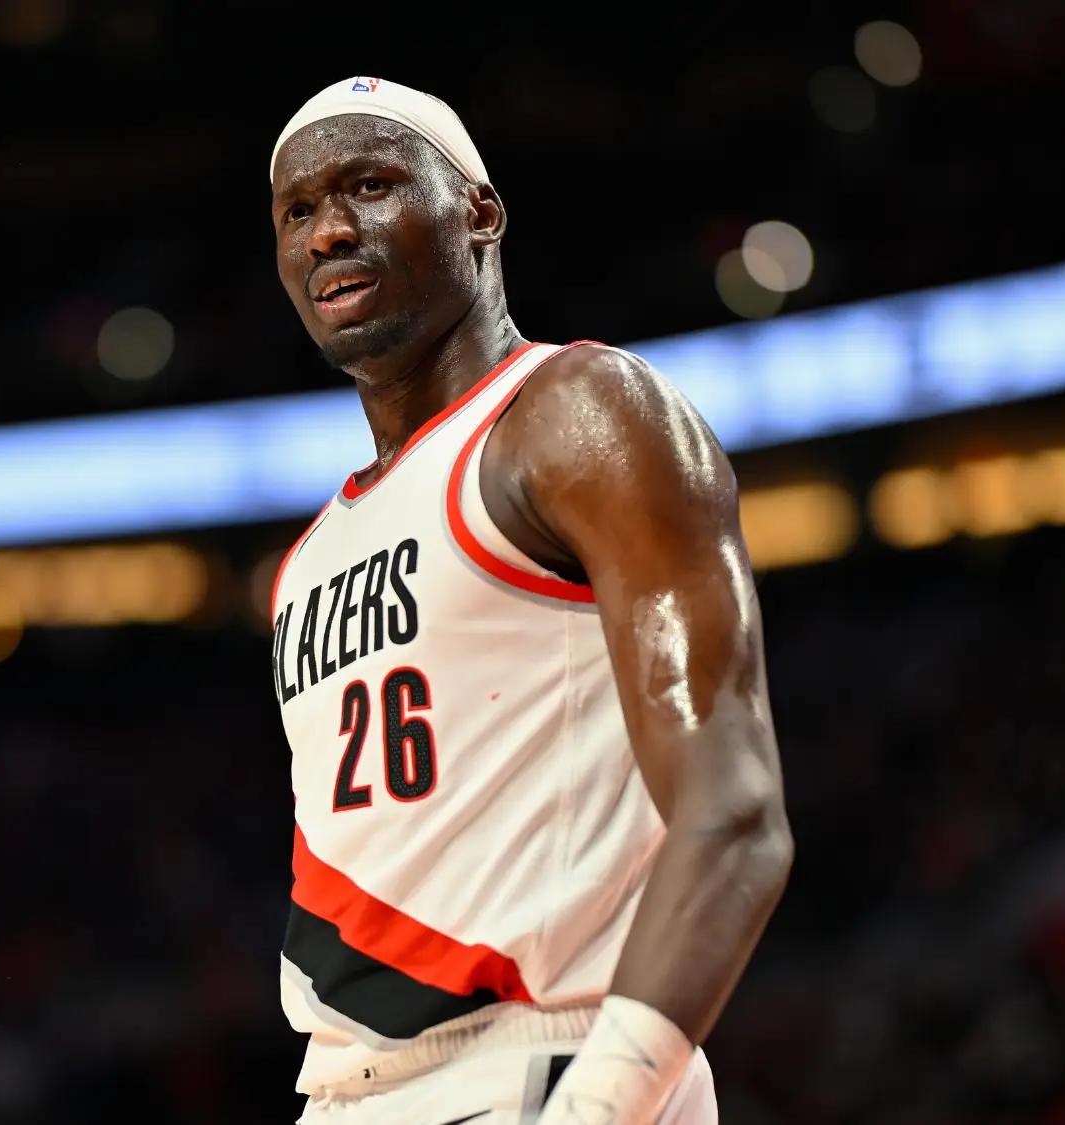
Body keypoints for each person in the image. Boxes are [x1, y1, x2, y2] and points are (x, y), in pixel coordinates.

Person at [266, 76, 794, 1124]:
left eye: (368, 185)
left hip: (542, 1059)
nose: (327, 232)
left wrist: (606, 1097)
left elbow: (733, 812)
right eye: (297, 210)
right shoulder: (308, 558)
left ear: (479, 214)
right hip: (347, 1089)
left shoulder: (575, 413)